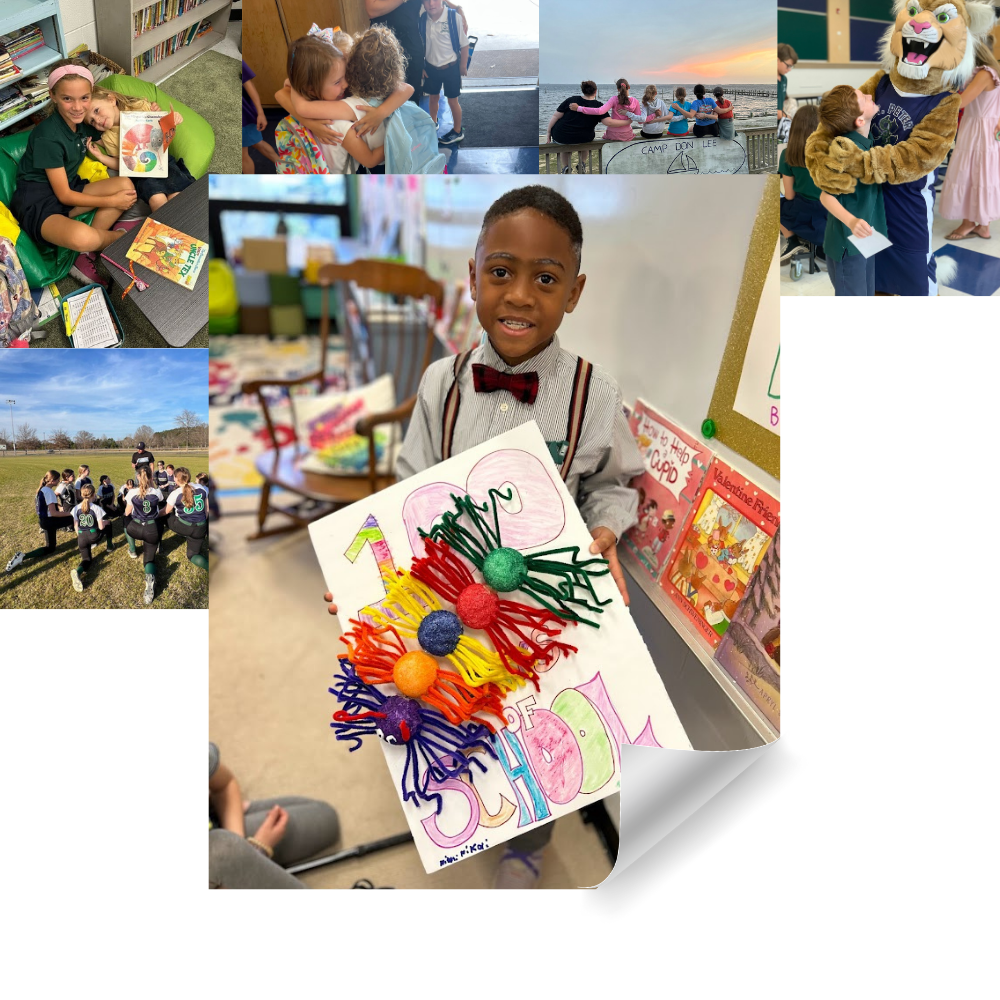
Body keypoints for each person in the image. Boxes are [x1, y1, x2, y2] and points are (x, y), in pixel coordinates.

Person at [325, 185, 644, 889]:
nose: (521, 295)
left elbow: (616, 484)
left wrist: (604, 531)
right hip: (444, 593)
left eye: (547, 278)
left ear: (575, 292)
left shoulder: (596, 393)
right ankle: (463, 803)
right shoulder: (441, 383)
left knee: (529, 724)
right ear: (472, 277)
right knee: (454, 705)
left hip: (536, 613)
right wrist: (364, 583)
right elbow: (405, 488)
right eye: (501, 272)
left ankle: (528, 841)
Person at [6, 60, 137, 286]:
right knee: (82, 235)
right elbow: (64, 196)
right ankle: (121, 240)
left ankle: (85, 252)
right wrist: (110, 200)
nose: (78, 107)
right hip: (38, 202)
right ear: (53, 96)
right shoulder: (48, 137)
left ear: (91, 95)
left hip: (69, 187)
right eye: (68, 99)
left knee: (125, 185)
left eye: (84, 98)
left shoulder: (83, 122)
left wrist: (150, 115)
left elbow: (116, 119)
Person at [209, 743, 340, 889]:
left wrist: (242, 848)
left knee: (324, 817)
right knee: (224, 849)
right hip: (218, 856)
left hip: (219, 838)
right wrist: (256, 850)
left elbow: (225, 784)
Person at [280, 35, 395, 174]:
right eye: (337, 81)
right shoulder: (338, 123)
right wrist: (396, 143)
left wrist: (307, 121)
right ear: (310, 88)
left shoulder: (302, 98)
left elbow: (287, 86)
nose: (346, 84)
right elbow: (369, 160)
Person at [815, 86, 885, 296]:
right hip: (848, 243)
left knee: (867, 292)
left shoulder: (867, 140)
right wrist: (852, 222)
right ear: (859, 121)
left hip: (867, 236)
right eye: (864, 98)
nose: (870, 95)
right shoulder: (844, 152)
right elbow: (826, 196)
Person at [82, 86, 196, 212]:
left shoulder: (139, 107)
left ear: (111, 100)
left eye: (97, 110)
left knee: (178, 196)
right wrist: (101, 157)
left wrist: (173, 118)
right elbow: (121, 164)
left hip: (163, 162)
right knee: (157, 201)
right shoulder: (108, 137)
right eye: (92, 121)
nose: (97, 120)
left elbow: (163, 131)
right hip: (141, 173)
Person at [939, 59, 1000, 241]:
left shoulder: (984, 73)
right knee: (982, 174)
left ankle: (969, 223)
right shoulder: (988, 71)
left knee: (972, 174)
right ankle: (983, 225)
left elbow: (961, 101)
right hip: (981, 126)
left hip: (979, 130)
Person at [365, 0, 467, 104]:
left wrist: (458, 9)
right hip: (383, 45)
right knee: (383, 96)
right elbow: (372, 10)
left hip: (412, 46)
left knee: (412, 98)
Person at [778, 104, 827, 259]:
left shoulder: (787, 154)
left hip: (804, 213)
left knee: (770, 204)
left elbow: (790, 195)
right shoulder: (835, 151)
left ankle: (791, 240)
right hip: (832, 215)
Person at [419, 0, 470, 145]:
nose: (431, 4)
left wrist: (462, 66)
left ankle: (457, 130)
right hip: (430, 68)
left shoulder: (453, 18)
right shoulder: (422, 18)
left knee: (453, 101)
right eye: (427, 1)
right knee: (433, 98)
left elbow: (464, 45)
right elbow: (420, 44)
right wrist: (422, 66)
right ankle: (433, 123)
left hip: (451, 67)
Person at [5, 470, 76, 573]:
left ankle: (23, 556)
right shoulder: (49, 491)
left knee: (50, 548)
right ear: (52, 481)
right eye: (57, 480)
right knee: (75, 517)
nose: (59, 481)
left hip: (43, 521)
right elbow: (54, 513)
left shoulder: (40, 489)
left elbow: (47, 507)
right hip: (50, 521)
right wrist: (70, 513)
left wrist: (60, 508)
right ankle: (89, 538)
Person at [545, 81, 621, 173]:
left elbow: (555, 116)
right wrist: (627, 121)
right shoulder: (599, 106)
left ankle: (566, 167)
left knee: (565, 144)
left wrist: (549, 132)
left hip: (561, 136)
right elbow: (608, 122)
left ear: (583, 90)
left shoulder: (571, 100)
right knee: (585, 139)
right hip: (585, 137)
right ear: (595, 91)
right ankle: (582, 163)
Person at [124, 466, 165, 605]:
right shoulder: (156, 492)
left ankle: (133, 549)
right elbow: (158, 499)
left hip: (135, 529)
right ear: (151, 478)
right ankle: (149, 578)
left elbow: (127, 512)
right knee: (149, 560)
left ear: (137, 477)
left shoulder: (131, 493)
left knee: (125, 521)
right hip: (151, 530)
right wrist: (151, 484)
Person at [569, 78, 643, 142]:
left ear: (618, 89)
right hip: (626, 134)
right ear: (629, 87)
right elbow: (640, 121)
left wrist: (579, 108)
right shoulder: (635, 101)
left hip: (612, 134)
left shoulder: (614, 99)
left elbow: (600, 111)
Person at [164, 467, 209, 570]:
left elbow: (165, 511)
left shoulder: (175, 493)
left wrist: (156, 515)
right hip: (201, 528)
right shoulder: (202, 488)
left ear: (175, 478)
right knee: (192, 555)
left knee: (163, 516)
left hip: (184, 527)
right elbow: (207, 510)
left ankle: (157, 544)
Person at [69, 483, 111, 592]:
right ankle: (110, 545)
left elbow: (75, 526)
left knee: (86, 559)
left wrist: (81, 536)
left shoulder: (76, 508)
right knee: (108, 524)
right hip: (93, 536)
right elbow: (101, 527)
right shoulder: (96, 508)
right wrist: (106, 522)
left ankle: (78, 571)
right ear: (93, 495)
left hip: (81, 538)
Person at [242, 60, 279, 174]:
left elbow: (249, 85)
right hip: (244, 113)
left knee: (243, 155)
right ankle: (289, 170)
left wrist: (260, 112)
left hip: (244, 115)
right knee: (258, 143)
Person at [778, 43, 798, 119]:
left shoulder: (784, 80)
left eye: (791, 66)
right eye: (788, 65)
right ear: (777, 60)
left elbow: (781, 107)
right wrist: (787, 117)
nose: (789, 69)